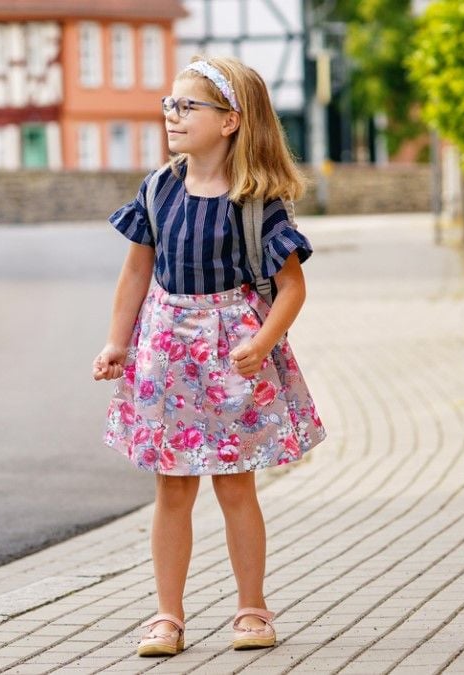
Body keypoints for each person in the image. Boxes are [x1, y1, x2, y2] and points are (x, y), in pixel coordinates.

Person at [91, 56, 327, 658]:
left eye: (186, 105)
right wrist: (117, 342)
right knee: (172, 488)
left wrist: (263, 341)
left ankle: (252, 608)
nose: (172, 114)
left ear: (229, 121)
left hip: (231, 353)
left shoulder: (256, 202)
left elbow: (292, 288)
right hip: (166, 349)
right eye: (169, 104)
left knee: (234, 485)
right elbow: (136, 271)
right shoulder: (159, 188)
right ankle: (167, 615)